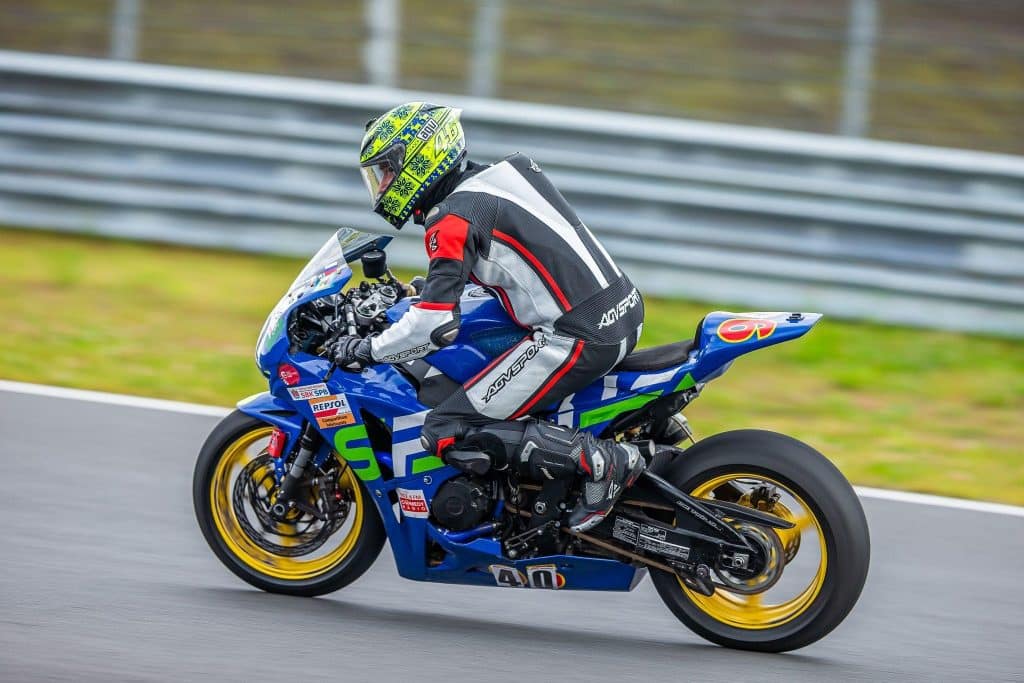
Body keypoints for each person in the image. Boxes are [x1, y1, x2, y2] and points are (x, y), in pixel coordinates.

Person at [331, 102, 645, 532]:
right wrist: (430, 289)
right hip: (620, 307)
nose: (383, 186)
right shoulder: (508, 172)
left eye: (387, 171)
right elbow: (518, 262)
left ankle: (602, 462)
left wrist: (369, 347)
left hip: (576, 335)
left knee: (445, 425)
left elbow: (433, 328)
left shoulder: (452, 219)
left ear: (420, 158)